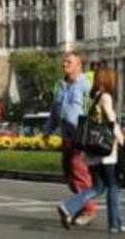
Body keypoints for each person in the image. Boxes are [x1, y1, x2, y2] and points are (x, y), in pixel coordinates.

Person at [57, 68, 125, 234]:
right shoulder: (106, 97)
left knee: (98, 187)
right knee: (113, 185)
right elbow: (111, 120)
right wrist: (121, 139)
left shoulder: (92, 97)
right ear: (108, 80)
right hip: (106, 151)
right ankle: (114, 224)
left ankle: (68, 207)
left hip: (92, 152)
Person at [43, 51, 97, 225]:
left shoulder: (85, 84)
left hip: (80, 136)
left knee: (79, 171)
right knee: (69, 175)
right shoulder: (60, 86)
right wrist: (47, 131)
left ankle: (89, 210)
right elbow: (54, 111)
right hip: (66, 136)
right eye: (64, 62)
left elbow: (98, 103)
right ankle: (80, 204)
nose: (64, 65)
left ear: (78, 66)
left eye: (69, 62)